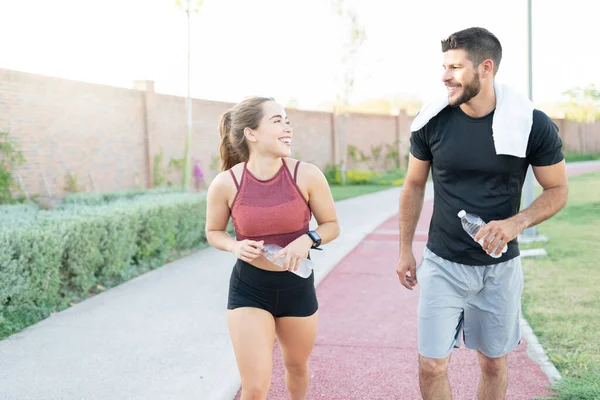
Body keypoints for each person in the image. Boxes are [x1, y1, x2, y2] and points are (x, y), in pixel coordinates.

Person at [396, 27, 568, 400]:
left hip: (500, 268)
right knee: (431, 364)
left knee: (493, 363)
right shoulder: (431, 122)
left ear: (485, 68)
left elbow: (558, 190)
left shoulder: (531, 124)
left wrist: (516, 222)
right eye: (444, 66)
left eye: (455, 67)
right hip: (443, 262)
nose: (445, 76)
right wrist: (405, 247)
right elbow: (413, 185)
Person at [205, 96, 340, 400]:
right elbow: (213, 232)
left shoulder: (306, 175)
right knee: (254, 387)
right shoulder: (225, 184)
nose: (287, 128)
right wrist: (233, 246)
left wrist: (308, 239)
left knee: (296, 368)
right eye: (277, 121)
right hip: (249, 288)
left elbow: (331, 225)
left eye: (287, 121)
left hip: (297, 286)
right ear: (251, 133)